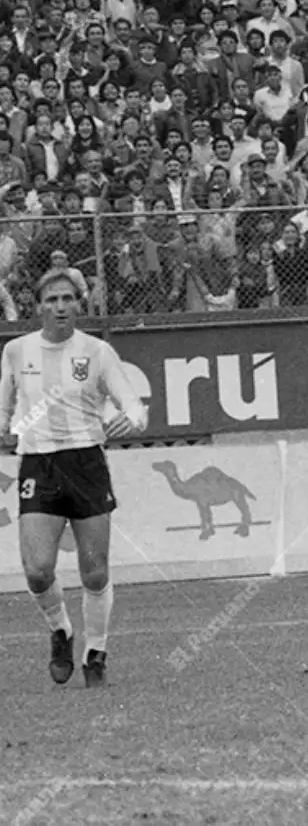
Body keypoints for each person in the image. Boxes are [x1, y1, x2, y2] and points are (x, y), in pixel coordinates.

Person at [0, 269, 147, 689]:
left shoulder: (97, 352)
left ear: (79, 303)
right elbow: (3, 408)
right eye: (52, 300)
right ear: (38, 306)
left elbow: (133, 404)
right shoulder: (16, 351)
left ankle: (96, 652)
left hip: (86, 465)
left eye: (68, 298)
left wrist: (131, 418)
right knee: (37, 571)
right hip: (38, 466)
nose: (60, 306)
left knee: (95, 573)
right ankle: (61, 630)